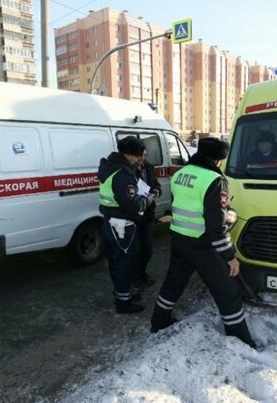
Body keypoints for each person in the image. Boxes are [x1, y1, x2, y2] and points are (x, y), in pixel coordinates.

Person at [150, 138, 257, 348]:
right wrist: (230, 256)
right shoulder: (214, 180)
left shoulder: (180, 174)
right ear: (218, 160)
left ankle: (158, 322)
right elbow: (215, 228)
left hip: (179, 239)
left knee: (173, 283)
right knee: (227, 290)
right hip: (203, 245)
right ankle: (240, 339)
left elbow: (181, 207)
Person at [98, 136, 154, 314]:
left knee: (122, 259)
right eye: (138, 155)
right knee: (123, 262)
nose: (141, 159)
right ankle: (123, 303)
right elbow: (132, 204)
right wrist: (148, 200)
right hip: (120, 224)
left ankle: (124, 294)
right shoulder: (122, 174)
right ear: (129, 155)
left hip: (115, 221)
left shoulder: (112, 167)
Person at [133, 148, 162, 291]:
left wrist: (156, 191)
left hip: (148, 213)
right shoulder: (129, 170)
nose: (143, 158)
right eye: (140, 155)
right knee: (136, 250)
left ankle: (141, 273)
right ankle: (136, 278)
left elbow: (155, 184)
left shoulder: (148, 168)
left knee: (148, 249)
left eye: (145, 155)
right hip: (135, 215)